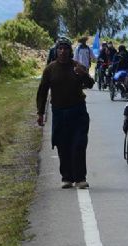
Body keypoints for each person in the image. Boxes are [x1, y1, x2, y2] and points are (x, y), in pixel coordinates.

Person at [36, 36, 94, 189]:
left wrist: (83, 74)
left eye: (66, 48)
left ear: (70, 51)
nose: (63, 51)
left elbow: (90, 84)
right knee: (63, 145)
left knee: (79, 144)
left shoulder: (77, 66)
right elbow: (42, 91)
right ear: (56, 51)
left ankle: (80, 178)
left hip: (78, 112)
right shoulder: (50, 69)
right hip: (59, 113)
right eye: (60, 48)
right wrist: (40, 112)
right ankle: (67, 177)